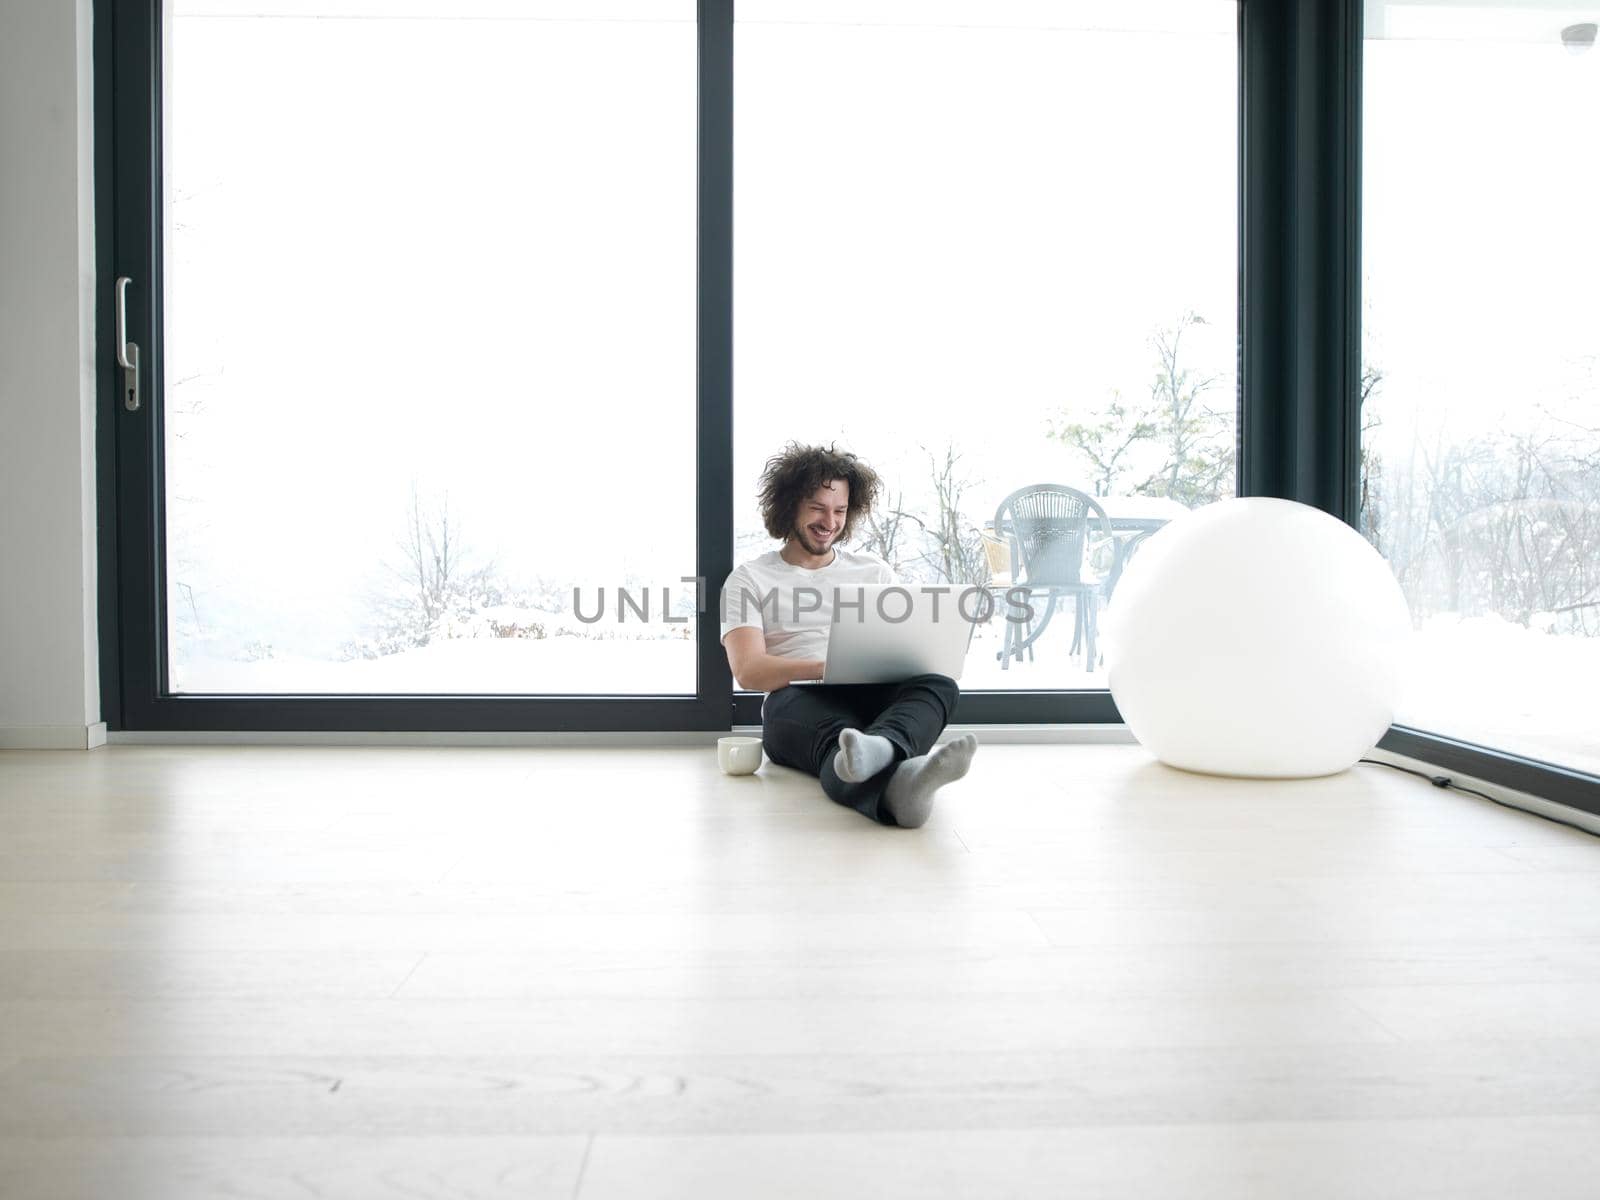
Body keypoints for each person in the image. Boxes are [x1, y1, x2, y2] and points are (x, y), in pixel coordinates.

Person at [720, 442, 978, 829]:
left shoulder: (873, 571)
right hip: (799, 699)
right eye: (818, 508)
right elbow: (750, 671)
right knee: (835, 741)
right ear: (789, 505)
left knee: (939, 685)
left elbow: (902, 644)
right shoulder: (749, 579)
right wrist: (828, 668)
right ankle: (898, 775)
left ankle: (882, 751)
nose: (830, 521)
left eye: (839, 510)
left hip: (873, 696)